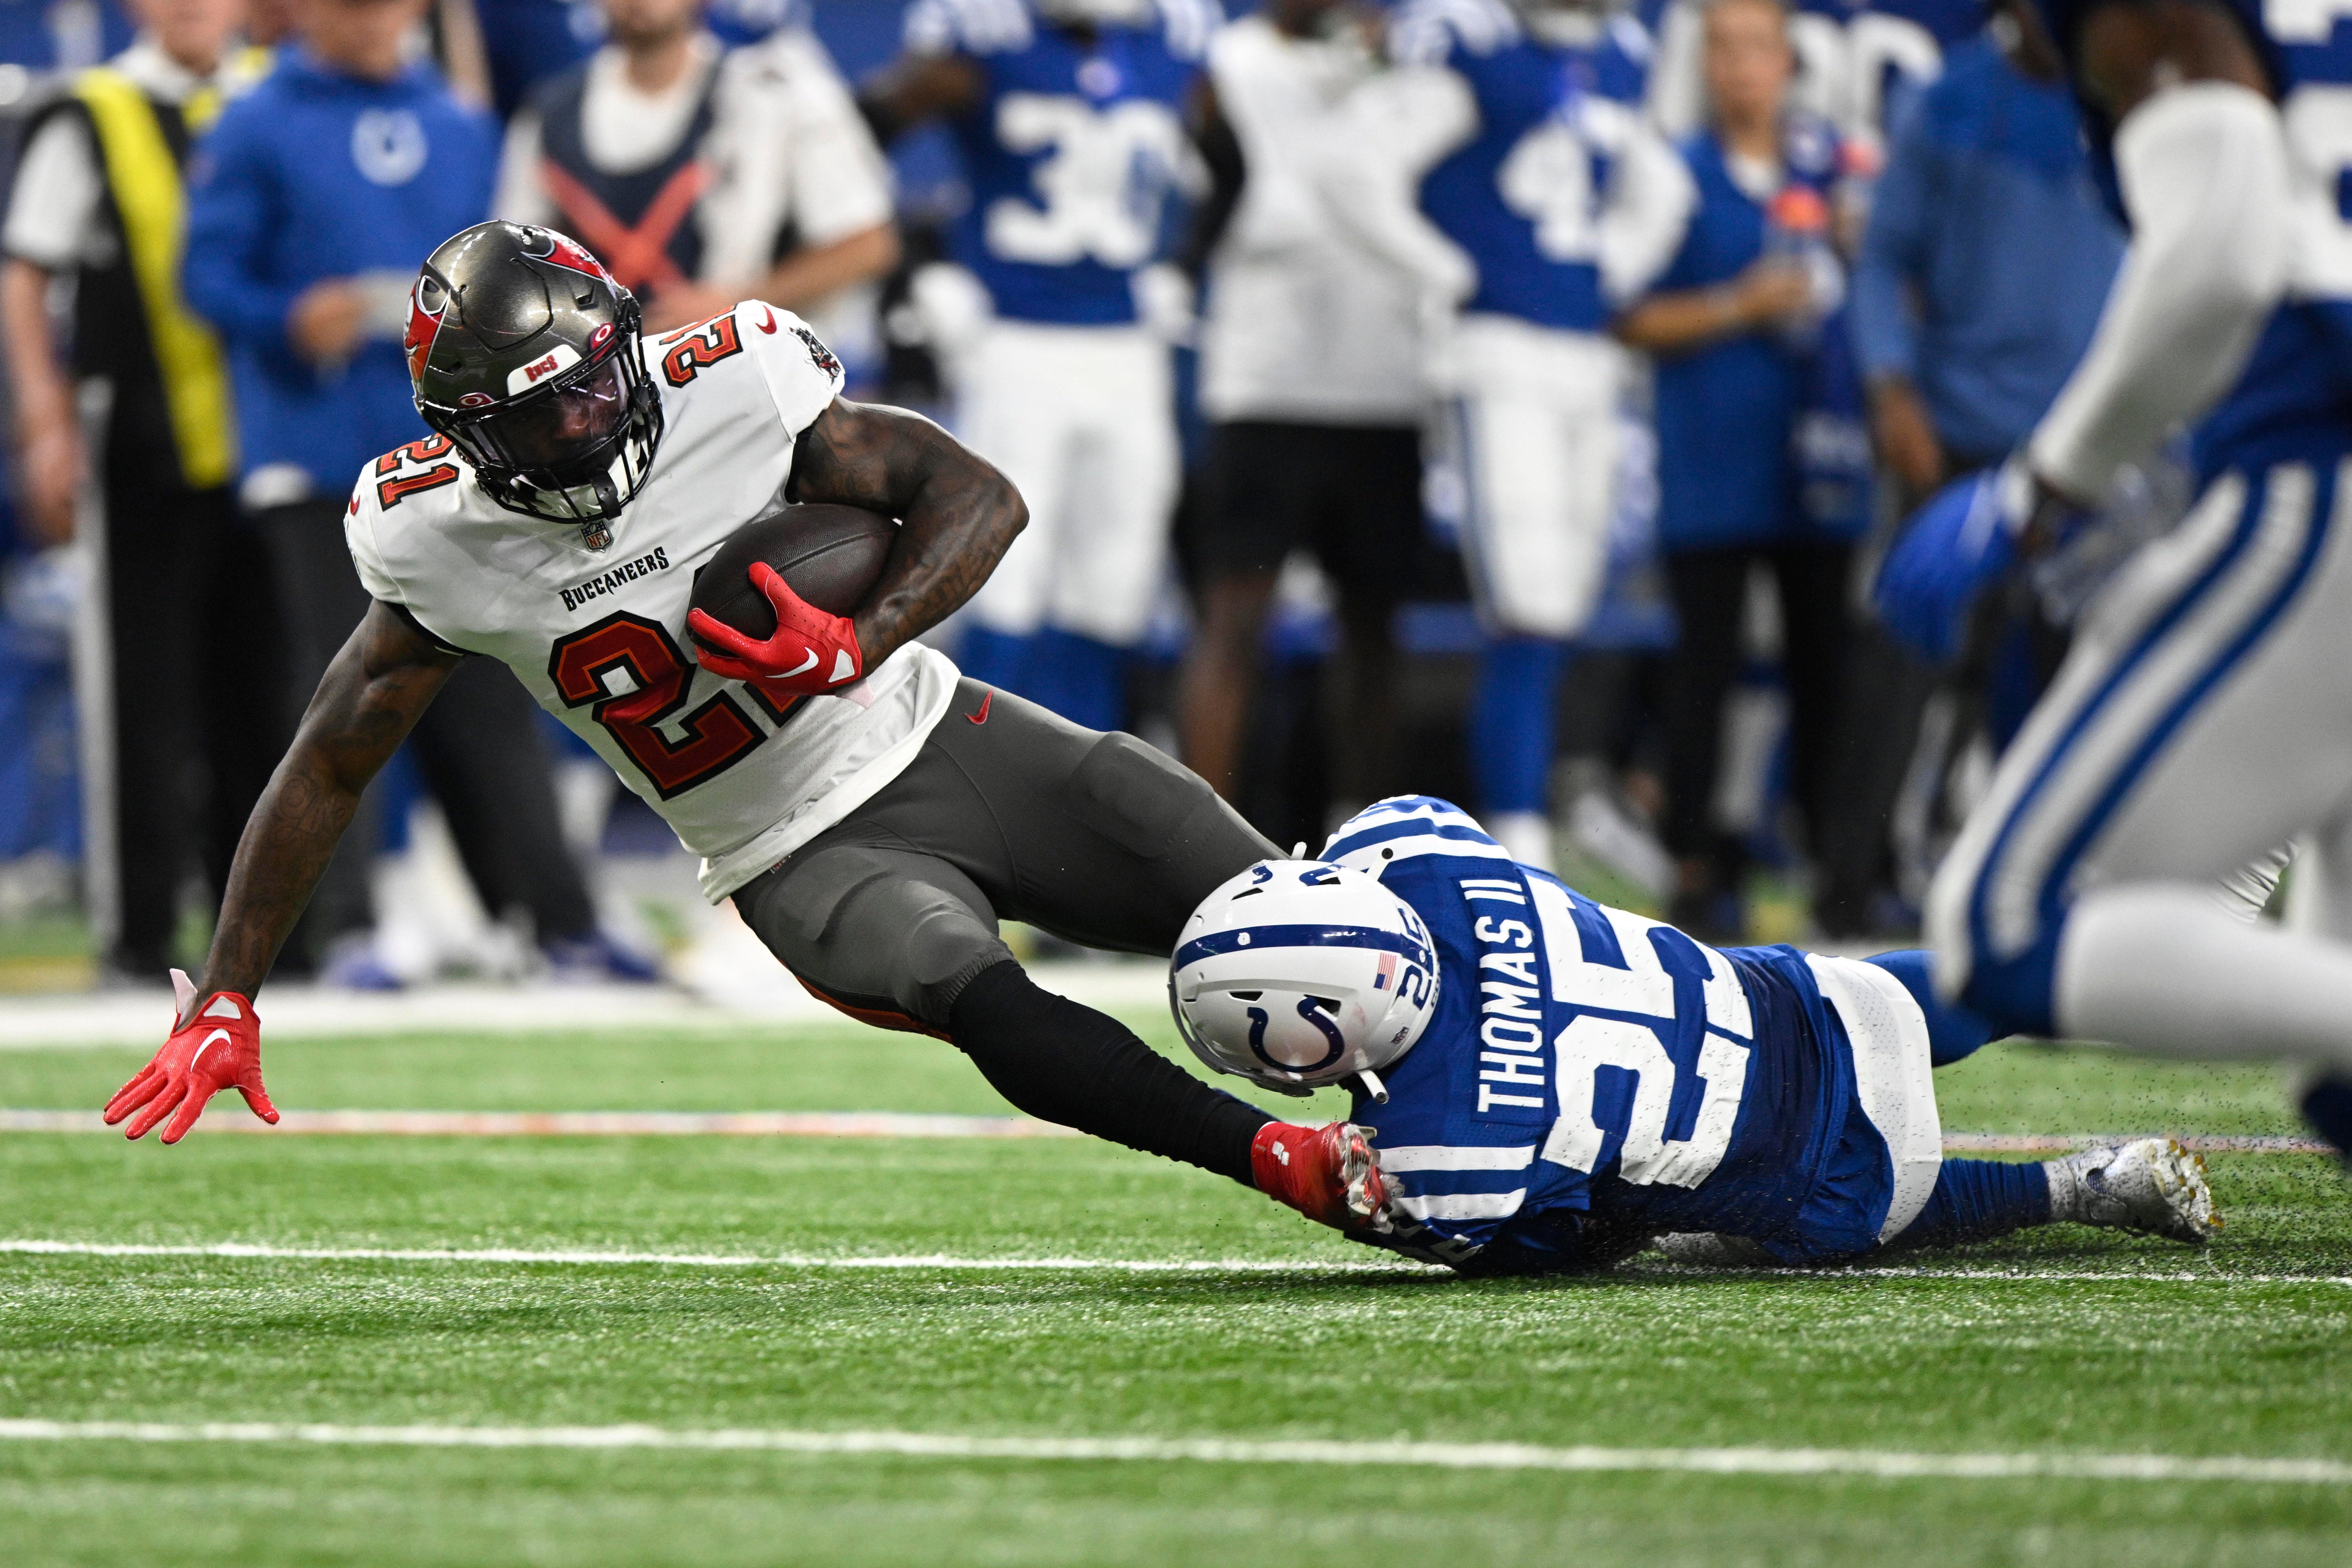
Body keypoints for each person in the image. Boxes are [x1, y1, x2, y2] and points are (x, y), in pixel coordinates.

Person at [98, 220, 1389, 1244]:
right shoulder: (432, 533)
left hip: (935, 730)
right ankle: (1291, 1164)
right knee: (964, 980)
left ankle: (1499, 1080)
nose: (583, 424)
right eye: (533, 416)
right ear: (466, 439)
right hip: (790, 850)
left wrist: (858, 638)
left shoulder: (733, 379)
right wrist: (228, 990)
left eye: (590, 385)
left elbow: (975, 496)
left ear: (622, 333)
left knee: (1269, 898)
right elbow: (331, 755)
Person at [1872, 0, 2352, 1159]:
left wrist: (2046, 484)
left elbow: (2218, 261)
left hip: (2321, 467)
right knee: (2336, 1080)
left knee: (2007, 919)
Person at [1171, 795, 2219, 1274]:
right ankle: (2181, 933)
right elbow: (1385, 847)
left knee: (1894, 1203)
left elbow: (1557, 1246)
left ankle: (2086, 1186)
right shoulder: (1425, 844)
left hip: (1815, 1175)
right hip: (1810, 1000)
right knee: (1999, 987)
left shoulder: (1445, 1158)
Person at [181, 0, 639, 982]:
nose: (378, 20)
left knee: (497, 685)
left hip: (454, 458)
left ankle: (550, 918)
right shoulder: (255, 120)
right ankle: (349, 927)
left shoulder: (461, 121)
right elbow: (204, 274)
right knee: (346, 686)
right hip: (313, 452)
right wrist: (285, 316)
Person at [1325, 0, 1662, 872]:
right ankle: (1519, 846)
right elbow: (1356, 170)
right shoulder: (1469, 38)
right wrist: (1448, 271)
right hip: (1497, 352)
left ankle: (1531, 833)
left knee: (1567, 605)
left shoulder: (1619, 49)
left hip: (1586, 356)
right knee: (1526, 601)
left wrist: (1610, 265)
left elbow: (1659, 185)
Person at [1813, 0, 2124, 936]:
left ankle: (2062, 896)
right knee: (1904, 652)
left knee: (2085, 674)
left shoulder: (2124, 88)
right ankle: (1850, 891)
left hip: (2098, 438)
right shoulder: (1950, 99)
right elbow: (1880, 261)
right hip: (1958, 436)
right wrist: (1889, 389)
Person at [0, 0, 280, 982]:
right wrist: (43, 420)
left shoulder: (275, 95)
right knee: (142, 694)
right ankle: (137, 932)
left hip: (271, 445)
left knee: (275, 695)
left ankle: (275, 939)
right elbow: (26, 273)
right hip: (141, 445)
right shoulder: (93, 108)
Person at [857, 0, 1215, 734]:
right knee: (1001, 574)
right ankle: (981, 778)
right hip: (1016, 345)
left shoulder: (1175, 33)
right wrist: (916, 267)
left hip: (1129, 349)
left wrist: (1183, 263)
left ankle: (1084, 780)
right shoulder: (985, 31)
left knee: (1115, 582)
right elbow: (857, 137)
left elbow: (1234, 162)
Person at [1609, 0, 1867, 940]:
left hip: (1818, 462)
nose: (1738, 66)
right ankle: (1694, 869)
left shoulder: (1835, 169)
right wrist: (1736, 304)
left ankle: (1836, 865)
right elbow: (1625, 311)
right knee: (1701, 673)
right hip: (1713, 459)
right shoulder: (1674, 174)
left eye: (1756, 46)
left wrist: (1856, 250)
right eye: (1721, 47)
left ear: (1789, 60)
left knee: (1823, 668)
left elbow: (1879, 292)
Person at [1173, 0, 1425, 824]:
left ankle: (1372, 841)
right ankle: (1202, 840)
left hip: (1386, 376)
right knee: (1237, 615)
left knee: (1374, 626)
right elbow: (1194, 212)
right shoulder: (1229, 64)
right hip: (1266, 382)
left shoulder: (1409, 57)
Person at [492, 0, 898, 353]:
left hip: (746, 370)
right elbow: (514, 269)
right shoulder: (546, 116)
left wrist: (735, 305)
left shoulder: (775, 94)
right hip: (603, 388)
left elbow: (868, 244)